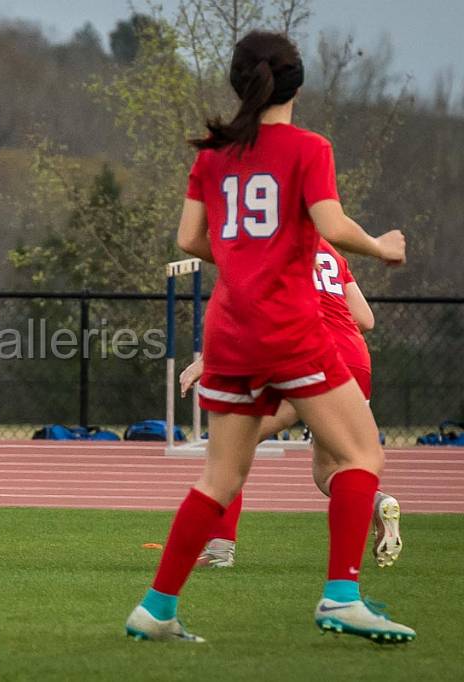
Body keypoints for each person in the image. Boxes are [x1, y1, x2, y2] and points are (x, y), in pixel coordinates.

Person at [124, 31, 415, 643]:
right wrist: (381, 246)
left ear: (239, 83)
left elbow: (187, 240)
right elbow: (331, 223)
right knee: (362, 455)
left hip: (230, 328)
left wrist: (241, 256)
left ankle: (156, 609)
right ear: (297, 84)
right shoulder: (308, 146)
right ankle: (340, 596)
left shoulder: (213, 154)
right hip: (286, 327)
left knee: (220, 479)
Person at [179, 238, 402, 569]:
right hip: (353, 358)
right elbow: (365, 319)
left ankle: (220, 549)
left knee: (232, 445)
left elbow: (250, 311)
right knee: (330, 469)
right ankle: (376, 502)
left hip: (304, 354)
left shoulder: (272, 244)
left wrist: (205, 362)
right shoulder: (332, 253)